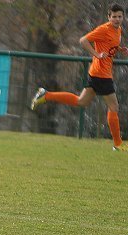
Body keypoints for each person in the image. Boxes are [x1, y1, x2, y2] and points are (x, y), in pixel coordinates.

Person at [31, 3, 128, 151]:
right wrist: (96, 54)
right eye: (113, 16)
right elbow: (83, 40)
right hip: (101, 74)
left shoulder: (118, 29)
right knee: (114, 106)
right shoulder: (103, 29)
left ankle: (46, 95)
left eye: (119, 16)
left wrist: (119, 49)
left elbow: (108, 46)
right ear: (108, 17)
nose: (117, 19)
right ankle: (118, 144)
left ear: (123, 17)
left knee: (81, 101)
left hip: (96, 73)